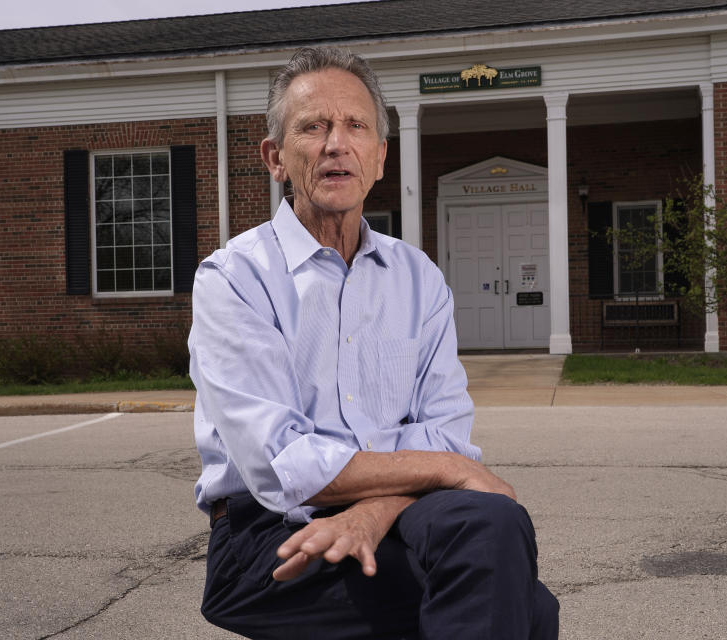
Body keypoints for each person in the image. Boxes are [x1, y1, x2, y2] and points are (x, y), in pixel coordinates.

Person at [189, 46, 559, 640]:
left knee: (492, 526)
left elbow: (442, 430)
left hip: (401, 510)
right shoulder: (235, 279)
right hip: (269, 534)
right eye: (313, 127)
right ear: (275, 157)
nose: (337, 143)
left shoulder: (418, 279)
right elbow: (284, 465)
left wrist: (372, 511)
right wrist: (446, 470)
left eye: (356, 126)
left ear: (380, 156)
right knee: (527, 607)